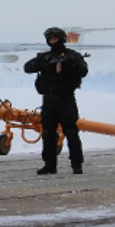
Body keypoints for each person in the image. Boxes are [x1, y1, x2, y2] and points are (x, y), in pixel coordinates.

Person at [24, 27, 89, 175]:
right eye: (50, 39)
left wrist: (70, 64)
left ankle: (76, 164)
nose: (53, 42)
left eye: (55, 39)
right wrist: (44, 65)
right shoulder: (44, 57)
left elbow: (83, 71)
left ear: (62, 39)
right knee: (48, 133)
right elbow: (27, 67)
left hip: (66, 99)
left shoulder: (72, 56)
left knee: (71, 132)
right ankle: (50, 165)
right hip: (48, 100)